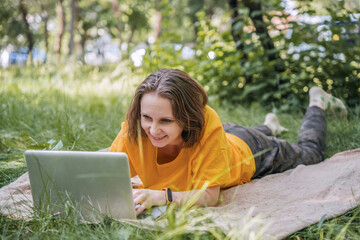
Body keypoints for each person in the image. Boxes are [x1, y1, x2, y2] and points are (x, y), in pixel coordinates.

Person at [109, 68, 347, 216]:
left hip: (249, 149)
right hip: (225, 137)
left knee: (311, 154)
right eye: (146, 117)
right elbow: (105, 174)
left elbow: (210, 197)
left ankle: (317, 103)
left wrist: (163, 196)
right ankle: (270, 125)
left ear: (189, 119)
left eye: (166, 121)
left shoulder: (206, 126)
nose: (153, 129)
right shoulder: (134, 130)